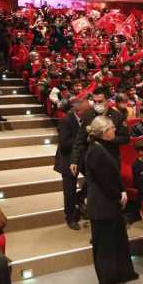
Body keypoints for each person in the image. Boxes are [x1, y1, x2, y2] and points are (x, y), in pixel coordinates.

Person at [84, 116, 138, 284]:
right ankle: (106, 283)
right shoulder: (95, 151)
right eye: (112, 128)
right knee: (104, 246)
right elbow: (104, 181)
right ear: (104, 132)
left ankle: (123, 272)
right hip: (102, 205)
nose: (115, 130)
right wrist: (119, 195)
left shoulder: (103, 147)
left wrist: (120, 192)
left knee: (119, 240)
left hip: (110, 203)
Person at [55, 98, 89, 230]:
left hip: (83, 157)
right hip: (68, 159)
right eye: (87, 111)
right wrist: (82, 137)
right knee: (69, 191)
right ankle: (70, 217)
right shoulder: (66, 121)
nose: (89, 113)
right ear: (79, 111)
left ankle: (79, 197)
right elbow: (64, 144)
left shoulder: (86, 119)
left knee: (95, 178)